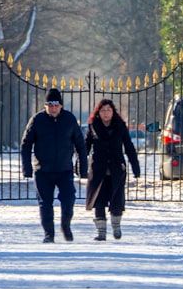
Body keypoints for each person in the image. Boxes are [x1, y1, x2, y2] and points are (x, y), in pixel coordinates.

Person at [21, 88, 88, 243]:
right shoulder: (37, 120)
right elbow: (26, 144)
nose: (53, 108)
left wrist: (82, 169)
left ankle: (65, 225)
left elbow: (80, 145)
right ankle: (49, 234)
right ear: (45, 106)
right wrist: (27, 169)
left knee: (69, 199)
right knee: (45, 203)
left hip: (64, 170)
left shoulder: (69, 119)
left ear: (61, 105)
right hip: (42, 170)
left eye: (56, 105)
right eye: (50, 105)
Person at [84, 98, 141, 241]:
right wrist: (80, 164)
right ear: (98, 112)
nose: (106, 113)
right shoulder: (93, 126)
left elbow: (128, 147)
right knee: (99, 200)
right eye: (103, 110)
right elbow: (85, 147)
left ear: (113, 111)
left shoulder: (120, 126)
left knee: (116, 199)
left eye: (108, 110)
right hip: (98, 169)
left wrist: (135, 166)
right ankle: (101, 232)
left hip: (116, 168)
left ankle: (116, 227)